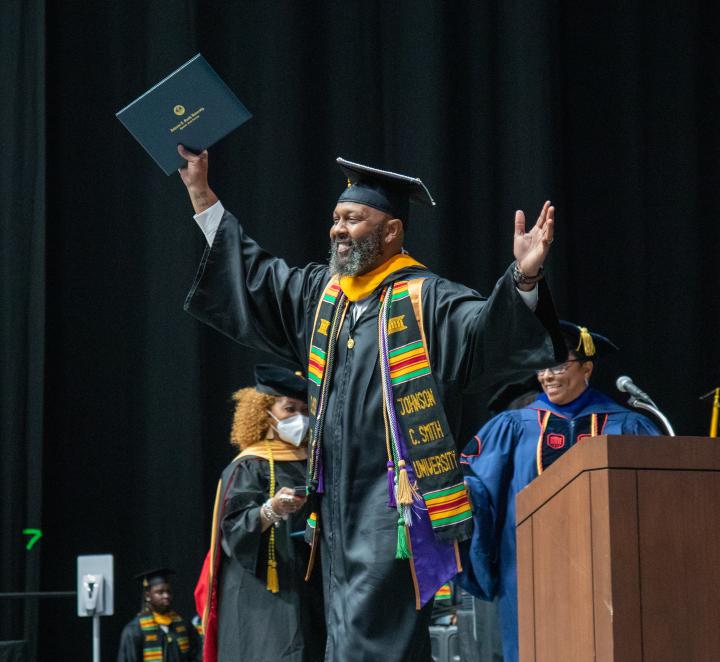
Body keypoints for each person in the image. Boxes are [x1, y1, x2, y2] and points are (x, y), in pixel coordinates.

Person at [178, 145, 563, 661]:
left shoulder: (428, 299)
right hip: (330, 509)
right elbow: (257, 277)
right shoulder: (326, 297)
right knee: (336, 639)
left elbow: (487, 337)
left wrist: (523, 280)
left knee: (372, 641)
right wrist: (202, 196)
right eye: (336, 218)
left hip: (391, 510)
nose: (338, 229)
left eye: (354, 219)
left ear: (391, 231)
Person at [458, 321, 661, 662]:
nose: (548, 375)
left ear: (587, 368)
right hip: (527, 566)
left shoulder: (627, 426)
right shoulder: (515, 426)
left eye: (559, 364)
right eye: (542, 366)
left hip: (608, 567)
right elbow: (478, 487)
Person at [196, 364, 325, 662]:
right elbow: (233, 532)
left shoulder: (314, 463)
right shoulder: (249, 465)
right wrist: (270, 510)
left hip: (310, 588)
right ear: (264, 411)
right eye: (288, 408)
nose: (299, 419)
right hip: (263, 594)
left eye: (305, 411)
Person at [117, 568, 202, 662]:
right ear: (147, 596)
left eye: (168, 591)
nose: (166, 596)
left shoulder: (183, 625)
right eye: (160, 592)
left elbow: (196, 655)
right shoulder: (135, 630)